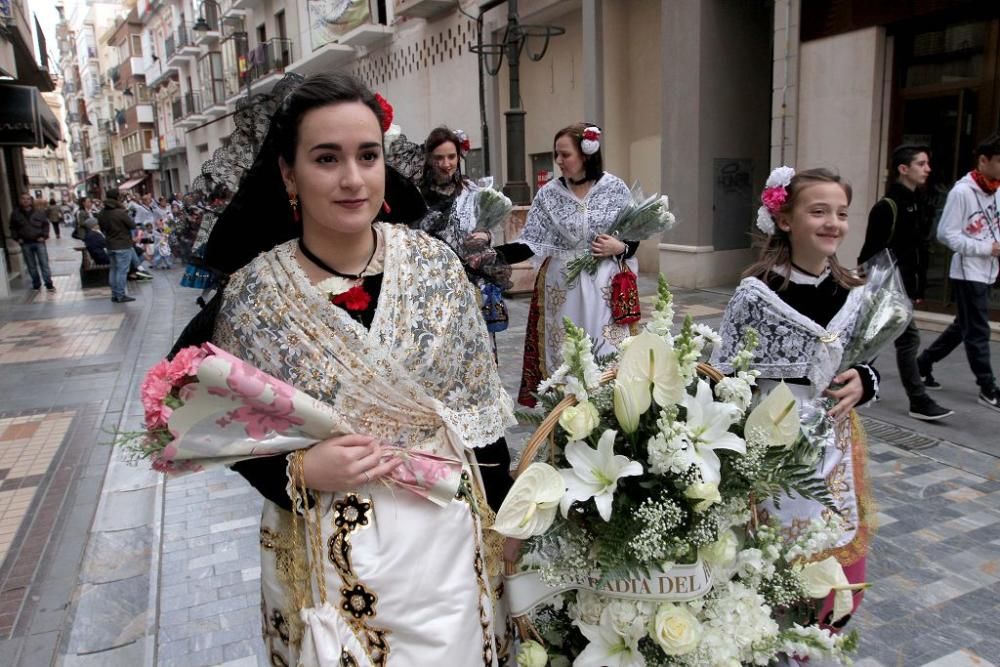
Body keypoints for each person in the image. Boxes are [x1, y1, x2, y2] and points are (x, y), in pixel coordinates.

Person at [178, 72, 515, 665]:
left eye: (367, 155)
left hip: (445, 544)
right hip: (326, 551)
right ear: (289, 173)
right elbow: (220, 430)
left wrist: (507, 517)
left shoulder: (435, 267)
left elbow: (479, 415)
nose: (352, 179)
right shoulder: (255, 298)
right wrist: (299, 468)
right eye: (326, 158)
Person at [713, 167, 878, 630]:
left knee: (830, 533)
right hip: (773, 437)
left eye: (842, 214)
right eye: (819, 211)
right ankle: (772, 632)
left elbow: (863, 359)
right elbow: (724, 369)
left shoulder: (853, 290)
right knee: (776, 543)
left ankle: (819, 628)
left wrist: (865, 378)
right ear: (785, 220)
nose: (833, 223)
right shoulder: (758, 291)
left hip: (835, 439)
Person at [494, 123, 640, 406]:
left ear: (587, 154)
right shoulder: (548, 195)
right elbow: (529, 243)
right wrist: (488, 255)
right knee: (566, 354)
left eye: (565, 155)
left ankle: (609, 410)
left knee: (607, 350)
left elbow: (635, 235)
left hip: (605, 289)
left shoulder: (615, 188)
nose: (559, 161)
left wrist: (619, 247)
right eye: (556, 155)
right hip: (563, 289)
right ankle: (567, 419)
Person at [858, 145, 953, 421]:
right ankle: (917, 399)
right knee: (905, 339)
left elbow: (919, 252)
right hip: (888, 288)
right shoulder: (887, 207)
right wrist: (876, 289)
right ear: (903, 169)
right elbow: (870, 253)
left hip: (905, 288)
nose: (927, 169)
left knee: (876, 339)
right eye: (921, 164)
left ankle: (856, 380)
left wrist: (917, 289)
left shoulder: (918, 202)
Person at [917, 133, 1000, 412]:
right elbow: (946, 234)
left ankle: (923, 363)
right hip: (967, 271)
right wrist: (986, 248)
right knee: (977, 329)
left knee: (961, 327)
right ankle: (987, 387)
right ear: (983, 160)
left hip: (988, 269)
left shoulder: (997, 190)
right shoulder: (962, 192)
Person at [7, 193, 56, 291]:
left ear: (31, 201)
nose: (26, 201)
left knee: (44, 263)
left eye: (28, 199)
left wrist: (44, 236)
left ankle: (48, 283)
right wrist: (17, 238)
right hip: (25, 242)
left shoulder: (39, 212)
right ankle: (36, 283)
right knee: (31, 265)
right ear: (20, 201)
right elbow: (12, 228)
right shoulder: (16, 213)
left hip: (39, 241)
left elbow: (46, 225)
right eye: (23, 199)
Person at [97, 188, 139, 303]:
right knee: (122, 271)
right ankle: (120, 294)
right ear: (117, 197)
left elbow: (102, 228)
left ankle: (114, 294)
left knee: (114, 270)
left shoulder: (102, 213)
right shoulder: (120, 212)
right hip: (122, 244)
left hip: (110, 244)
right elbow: (132, 225)